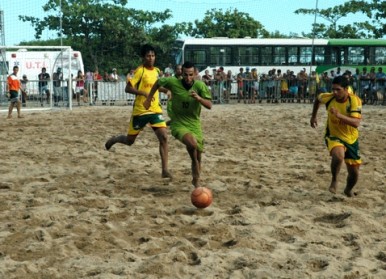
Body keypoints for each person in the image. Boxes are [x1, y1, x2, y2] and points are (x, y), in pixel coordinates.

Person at [104, 44, 171, 178]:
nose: (151, 58)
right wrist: (142, 93)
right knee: (130, 141)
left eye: (153, 55)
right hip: (140, 111)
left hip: (155, 110)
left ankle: (165, 170)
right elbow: (128, 89)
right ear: (143, 57)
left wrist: (167, 90)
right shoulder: (140, 71)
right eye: (148, 56)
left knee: (163, 137)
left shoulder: (157, 71)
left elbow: (156, 87)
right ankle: (116, 139)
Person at [144, 61, 212, 188]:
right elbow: (158, 83)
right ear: (181, 73)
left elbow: (209, 105)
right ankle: (195, 171)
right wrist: (149, 99)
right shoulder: (173, 82)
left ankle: (195, 179)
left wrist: (199, 98)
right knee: (192, 144)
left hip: (194, 123)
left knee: (198, 154)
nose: (188, 78)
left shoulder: (200, 86)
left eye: (191, 75)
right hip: (178, 122)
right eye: (185, 75)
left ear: (195, 74)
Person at [310, 76, 362, 197]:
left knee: (354, 173)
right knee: (338, 157)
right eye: (333, 89)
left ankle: (348, 190)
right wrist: (313, 116)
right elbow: (317, 100)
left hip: (351, 139)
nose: (334, 92)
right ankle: (334, 180)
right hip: (333, 135)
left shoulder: (354, 100)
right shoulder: (329, 98)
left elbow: (356, 123)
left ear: (346, 89)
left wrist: (339, 115)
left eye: (338, 89)